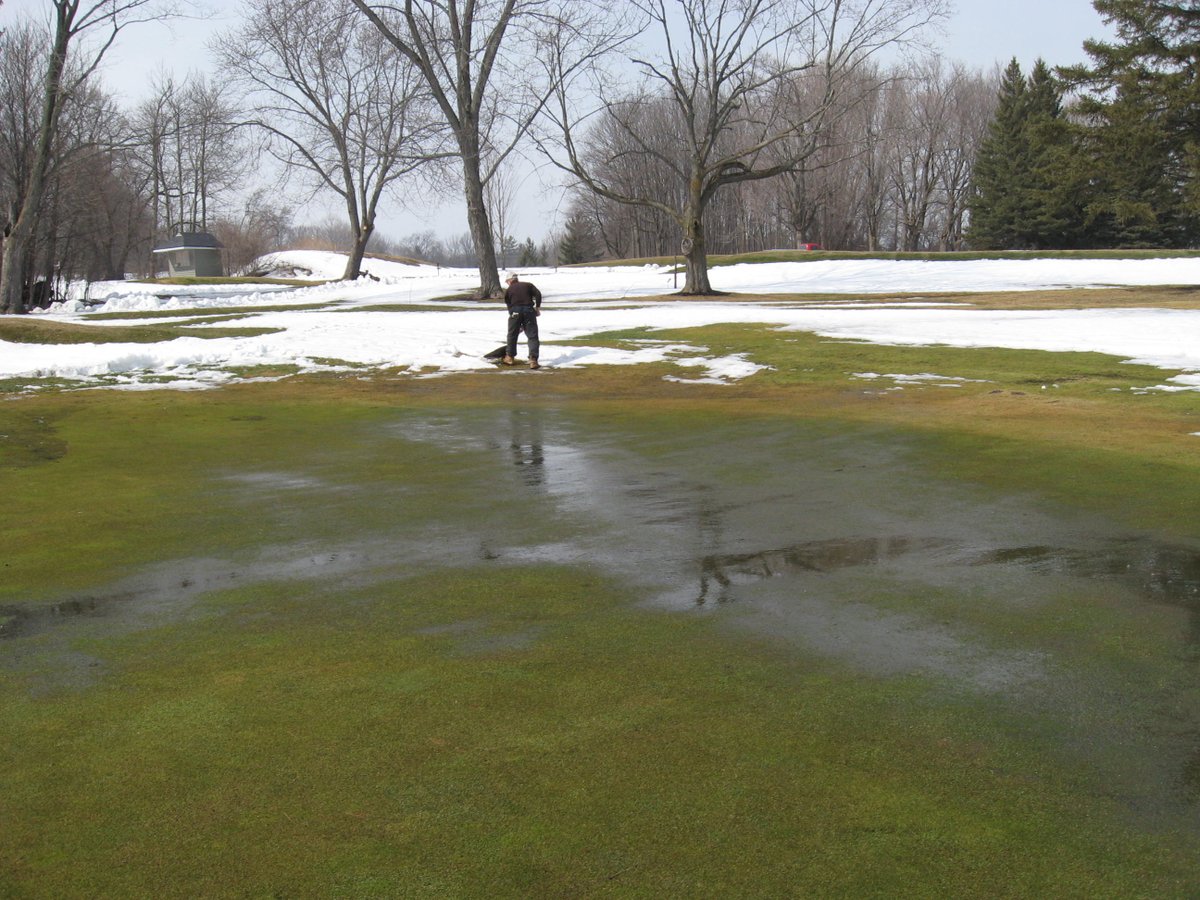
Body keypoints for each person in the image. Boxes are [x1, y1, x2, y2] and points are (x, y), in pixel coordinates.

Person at [502, 272, 542, 368]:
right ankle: (533, 359)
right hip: (529, 311)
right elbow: (538, 294)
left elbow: (509, 305)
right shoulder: (528, 285)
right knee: (532, 336)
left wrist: (515, 322)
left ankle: (510, 357)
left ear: (509, 281)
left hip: (515, 312)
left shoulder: (508, 290)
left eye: (507, 282)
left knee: (512, 334)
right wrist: (537, 308)